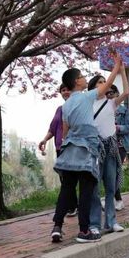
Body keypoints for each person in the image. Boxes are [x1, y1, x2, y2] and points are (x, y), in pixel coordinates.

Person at [50, 53, 123, 244]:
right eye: (81, 76)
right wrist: (116, 66)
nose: (84, 78)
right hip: (88, 150)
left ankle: (57, 226)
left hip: (70, 150)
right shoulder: (87, 97)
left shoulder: (66, 105)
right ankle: (84, 231)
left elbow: (65, 132)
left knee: (66, 189)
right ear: (77, 81)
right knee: (86, 190)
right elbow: (108, 84)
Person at [87, 70, 129, 235]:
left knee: (111, 187)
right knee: (94, 188)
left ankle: (111, 222)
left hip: (111, 148)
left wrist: (123, 71)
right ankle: (95, 223)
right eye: (100, 82)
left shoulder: (111, 103)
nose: (104, 84)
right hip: (95, 149)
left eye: (105, 81)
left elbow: (126, 92)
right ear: (93, 87)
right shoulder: (88, 104)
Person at [38, 84, 77, 217]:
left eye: (68, 89)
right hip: (61, 148)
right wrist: (44, 140)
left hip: (74, 147)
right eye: (63, 90)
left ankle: (75, 206)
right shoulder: (59, 109)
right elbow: (53, 129)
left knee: (71, 178)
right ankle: (72, 205)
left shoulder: (78, 107)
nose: (66, 92)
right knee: (64, 178)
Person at [110, 84, 129, 211]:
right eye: (107, 93)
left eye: (112, 92)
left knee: (115, 171)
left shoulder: (124, 111)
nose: (110, 95)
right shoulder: (103, 109)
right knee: (108, 173)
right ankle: (113, 198)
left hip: (120, 145)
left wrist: (118, 128)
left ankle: (118, 199)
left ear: (117, 94)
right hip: (106, 144)